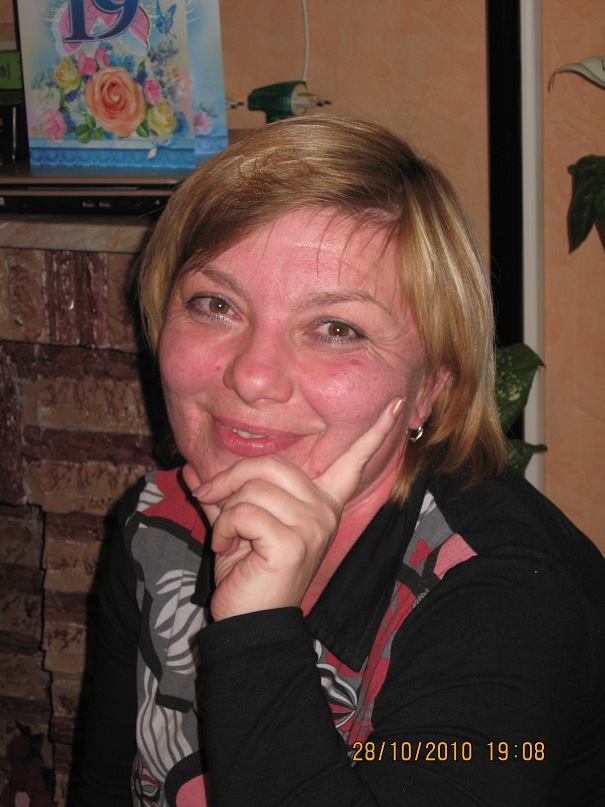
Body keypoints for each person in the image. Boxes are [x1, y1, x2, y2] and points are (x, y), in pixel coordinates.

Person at [78, 115, 605, 806]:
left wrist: (256, 626)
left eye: (335, 328)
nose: (252, 376)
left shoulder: (508, 601)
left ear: (430, 387)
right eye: (215, 304)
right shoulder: (159, 524)